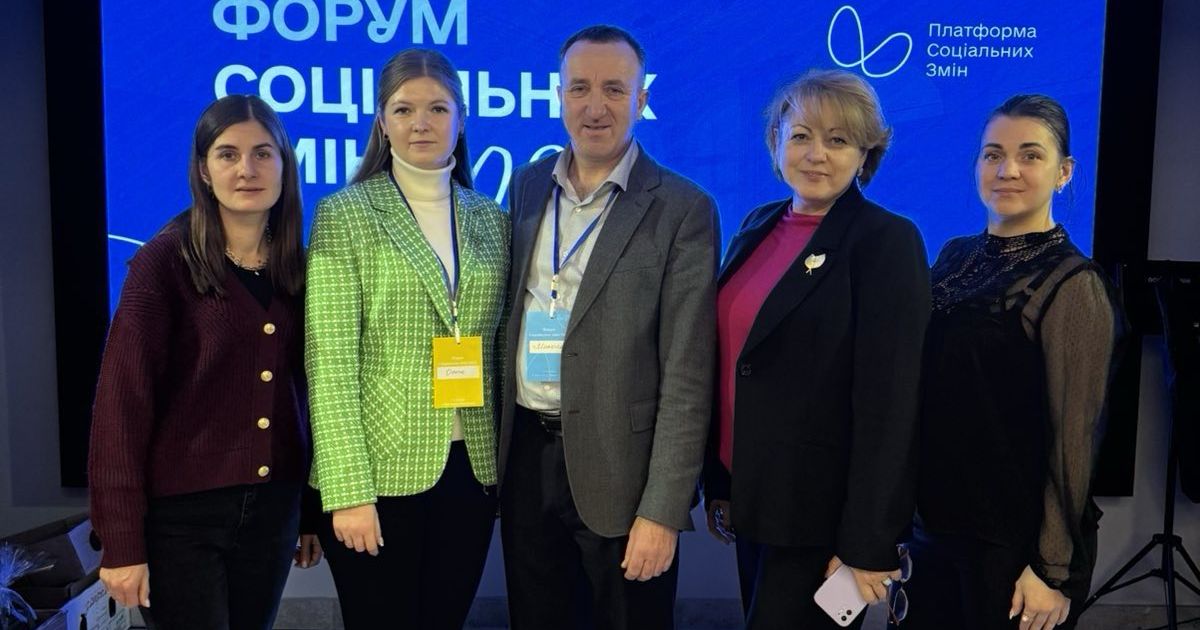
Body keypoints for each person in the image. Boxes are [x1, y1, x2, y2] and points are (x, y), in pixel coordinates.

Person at [497, 24, 720, 630]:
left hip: (626, 475)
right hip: (527, 462)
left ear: (641, 100)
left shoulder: (683, 208)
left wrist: (663, 510)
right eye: (580, 88)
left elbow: (688, 374)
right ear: (559, 96)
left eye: (614, 90)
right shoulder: (525, 187)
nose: (595, 106)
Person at [701, 69, 931, 630]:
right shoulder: (758, 225)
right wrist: (723, 484)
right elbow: (738, 363)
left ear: (865, 153)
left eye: (838, 139)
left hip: (820, 520)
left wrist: (869, 540)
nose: (816, 154)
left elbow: (891, 405)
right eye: (801, 135)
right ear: (775, 141)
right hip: (755, 500)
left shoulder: (886, 240)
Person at [89, 94, 320, 630]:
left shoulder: (298, 268)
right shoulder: (163, 263)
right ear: (203, 170)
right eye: (228, 154)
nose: (247, 170)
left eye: (263, 153)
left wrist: (310, 511)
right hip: (181, 520)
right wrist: (121, 541)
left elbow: (306, 399)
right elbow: (121, 408)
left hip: (273, 511)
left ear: (285, 165)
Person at [304, 48, 509, 630]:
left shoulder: (491, 218)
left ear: (461, 119)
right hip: (377, 474)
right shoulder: (344, 214)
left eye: (438, 108)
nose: (421, 122)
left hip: (472, 470)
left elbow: (498, 349)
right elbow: (329, 362)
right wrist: (347, 491)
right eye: (403, 109)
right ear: (382, 121)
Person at [898, 95, 1120, 630]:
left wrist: (1051, 569)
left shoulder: (1074, 283)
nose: (1008, 170)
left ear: (1064, 173)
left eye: (1030, 155)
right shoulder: (953, 256)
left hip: (1012, 551)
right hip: (932, 530)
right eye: (993, 154)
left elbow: (1074, 440)